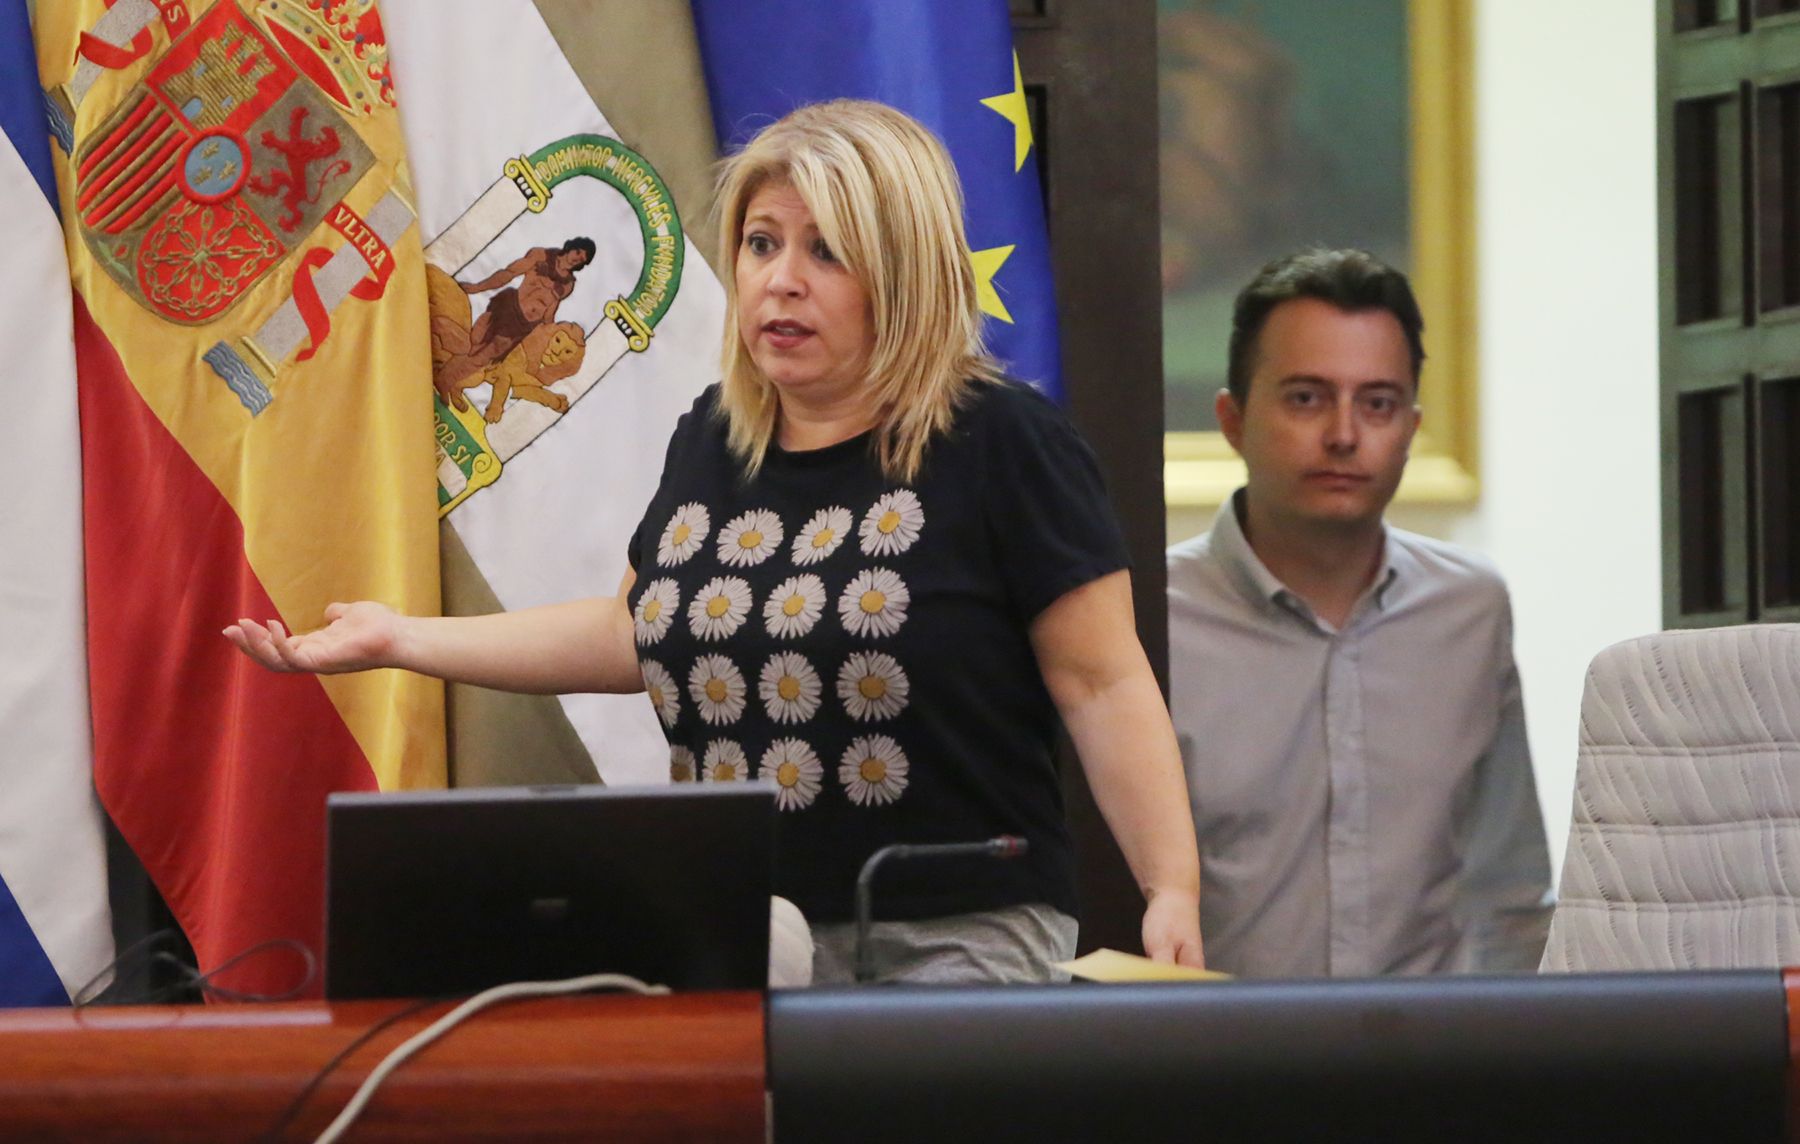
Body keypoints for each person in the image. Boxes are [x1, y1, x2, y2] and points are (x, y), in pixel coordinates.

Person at [226, 99, 1203, 985]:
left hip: (956, 931)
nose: (781, 280)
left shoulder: (1004, 442)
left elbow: (1102, 682)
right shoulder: (712, 438)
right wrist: (401, 637)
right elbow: (631, 633)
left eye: (827, 252)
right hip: (738, 928)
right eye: (762, 243)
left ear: (903, 272)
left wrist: (1170, 885)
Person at [1166, 248, 1552, 979]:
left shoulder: (1469, 610)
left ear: (1410, 427)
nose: (1344, 435)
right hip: (1217, 1046)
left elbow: (1509, 894)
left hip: (1437, 1046)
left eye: (1377, 404)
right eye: (1306, 398)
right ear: (1232, 420)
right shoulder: (1152, 624)